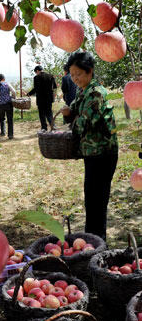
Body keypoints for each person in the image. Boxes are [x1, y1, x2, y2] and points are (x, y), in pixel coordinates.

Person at [61, 51, 118, 240]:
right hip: (92, 154)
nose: (75, 78)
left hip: (103, 154)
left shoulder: (95, 93)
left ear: (89, 72)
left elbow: (83, 123)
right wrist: (69, 110)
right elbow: (75, 107)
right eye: (72, 74)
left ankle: (98, 242)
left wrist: (72, 116)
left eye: (78, 74)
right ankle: (91, 240)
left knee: (98, 200)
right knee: (91, 198)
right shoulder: (83, 91)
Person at [28, 65, 57, 130]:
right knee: (49, 113)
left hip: (40, 99)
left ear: (37, 71)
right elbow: (55, 87)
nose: (36, 73)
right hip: (49, 99)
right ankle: (53, 126)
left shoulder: (36, 78)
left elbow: (35, 89)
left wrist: (28, 94)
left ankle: (44, 128)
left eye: (36, 72)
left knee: (42, 114)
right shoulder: (51, 76)